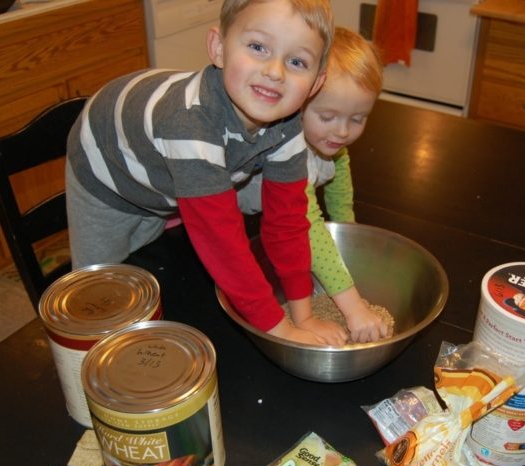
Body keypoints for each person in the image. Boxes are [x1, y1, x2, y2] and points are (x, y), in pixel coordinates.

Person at [65, 0, 344, 346]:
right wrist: (280, 329)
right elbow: (223, 245)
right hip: (106, 166)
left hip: (165, 165)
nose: (275, 71)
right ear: (218, 48)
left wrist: (304, 316)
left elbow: (288, 223)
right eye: (258, 47)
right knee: (100, 296)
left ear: (316, 83)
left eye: (297, 61)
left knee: (157, 266)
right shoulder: (190, 126)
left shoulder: (288, 125)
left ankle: (176, 205)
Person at [237, 27, 391, 343]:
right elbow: (307, 225)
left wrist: (348, 240)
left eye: (358, 119)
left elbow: (339, 183)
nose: (343, 132)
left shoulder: (332, 142)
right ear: (299, 102)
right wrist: (354, 309)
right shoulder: (290, 156)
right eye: (328, 116)